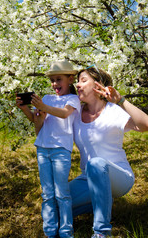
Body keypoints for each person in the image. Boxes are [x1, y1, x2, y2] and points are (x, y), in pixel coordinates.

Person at [69, 66, 148, 238]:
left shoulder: (113, 111)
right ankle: (101, 201)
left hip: (119, 177)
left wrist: (120, 100)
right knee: (52, 207)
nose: (77, 85)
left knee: (96, 163)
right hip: (88, 178)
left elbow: (145, 125)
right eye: (77, 81)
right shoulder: (75, 114)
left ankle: (101, 232)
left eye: (83, 80)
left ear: (98, 85)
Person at [16, 60, 81, 238]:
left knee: (62, 193)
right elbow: (37, 120)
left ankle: (66, 231)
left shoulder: (72, 99)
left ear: (70, 79)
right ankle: (50, 231)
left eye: (58, 79)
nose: (55, 84)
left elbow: (64, 113)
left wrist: (43, 107)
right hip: (43, 148)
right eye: (52, 80)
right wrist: (25, 109)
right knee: (47, 193)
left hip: (61, 150)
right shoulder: (46, 98)